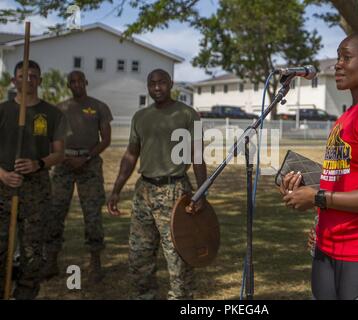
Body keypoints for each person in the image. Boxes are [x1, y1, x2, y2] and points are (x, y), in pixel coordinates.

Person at [280, 32, 358, 300]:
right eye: (338, 57)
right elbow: (347, 180)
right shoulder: (346, 117)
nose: (337, 64)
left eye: (346, 57)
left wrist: (318, 197)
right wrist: (307, 192)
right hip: (326, 248)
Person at [107, 69, 207, 299]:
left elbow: (198, 155)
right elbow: (131, 155)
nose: (157, 87)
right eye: (152, 83)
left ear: (171, 84)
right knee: (139, 255)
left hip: (175, 191)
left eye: (162, 82)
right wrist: (116, 190)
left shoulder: (189, 114)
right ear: (148, 87)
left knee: (178, 257)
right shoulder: (140, 117)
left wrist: (201, 192)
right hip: (145, 192)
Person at [0, 60, 67, 299]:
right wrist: (3, 174)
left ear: (39, 80)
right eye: (22, 75)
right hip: (3, 188)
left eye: (33, 76)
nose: (27, 80)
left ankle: (25, 295)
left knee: (32, 251)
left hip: (37, 190)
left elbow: (59, 153)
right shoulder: (3, 110)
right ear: (13, 80)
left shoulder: (52, 114)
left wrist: (38, 164)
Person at [42, 71, 113, 283]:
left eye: (80, 80)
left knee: (92, 214)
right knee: (56, 211)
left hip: (89, 165)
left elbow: (106, 139)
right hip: (63, 165)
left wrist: (87, 157)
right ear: (68, 85)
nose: (77, 84)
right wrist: (61, 157)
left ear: (86, 82)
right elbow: (52, 138)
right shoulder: (60, 108)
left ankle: (95, 262)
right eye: (72, 81)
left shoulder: (99, 107)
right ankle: (51, 261)